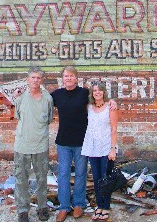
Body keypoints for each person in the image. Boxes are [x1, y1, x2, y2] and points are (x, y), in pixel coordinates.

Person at [51, 66, 117, 222]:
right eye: (66, 76)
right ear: (63, 78)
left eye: (71, 76)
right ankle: (64, 207)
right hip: (63, 142)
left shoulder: (83, 93)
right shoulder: (56, 95)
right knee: (63, 175)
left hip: (82, 142)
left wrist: (112, 101)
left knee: (81, 174)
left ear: (76, 78)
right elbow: (39, 98)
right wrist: (19, 94)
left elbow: (99, 97)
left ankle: (79, 204)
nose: (68, 78)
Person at [13, 66, 54, 222]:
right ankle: (23, 210)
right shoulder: (21, 98)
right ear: (27, 80)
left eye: (38, 78)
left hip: (40, 145)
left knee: (42, 178)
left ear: (42, 80)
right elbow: (18, 117)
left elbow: (49, 119)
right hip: (22, 145)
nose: (35, 80)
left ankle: (42, 208)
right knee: (21, 178)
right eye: (33, 77)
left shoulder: (47, 99)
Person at [81, 81, 118, 221]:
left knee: (106, 178)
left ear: (104, 92)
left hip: (106, 147)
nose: (97, 92)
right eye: (94, 90)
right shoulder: (89, 107)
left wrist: (113, 149)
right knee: (97, 179)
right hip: (92, 147)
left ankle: (106, 207)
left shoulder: (111, 107)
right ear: (92, 93)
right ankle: (99, 206)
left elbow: (114, 129)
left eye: (99, 90)